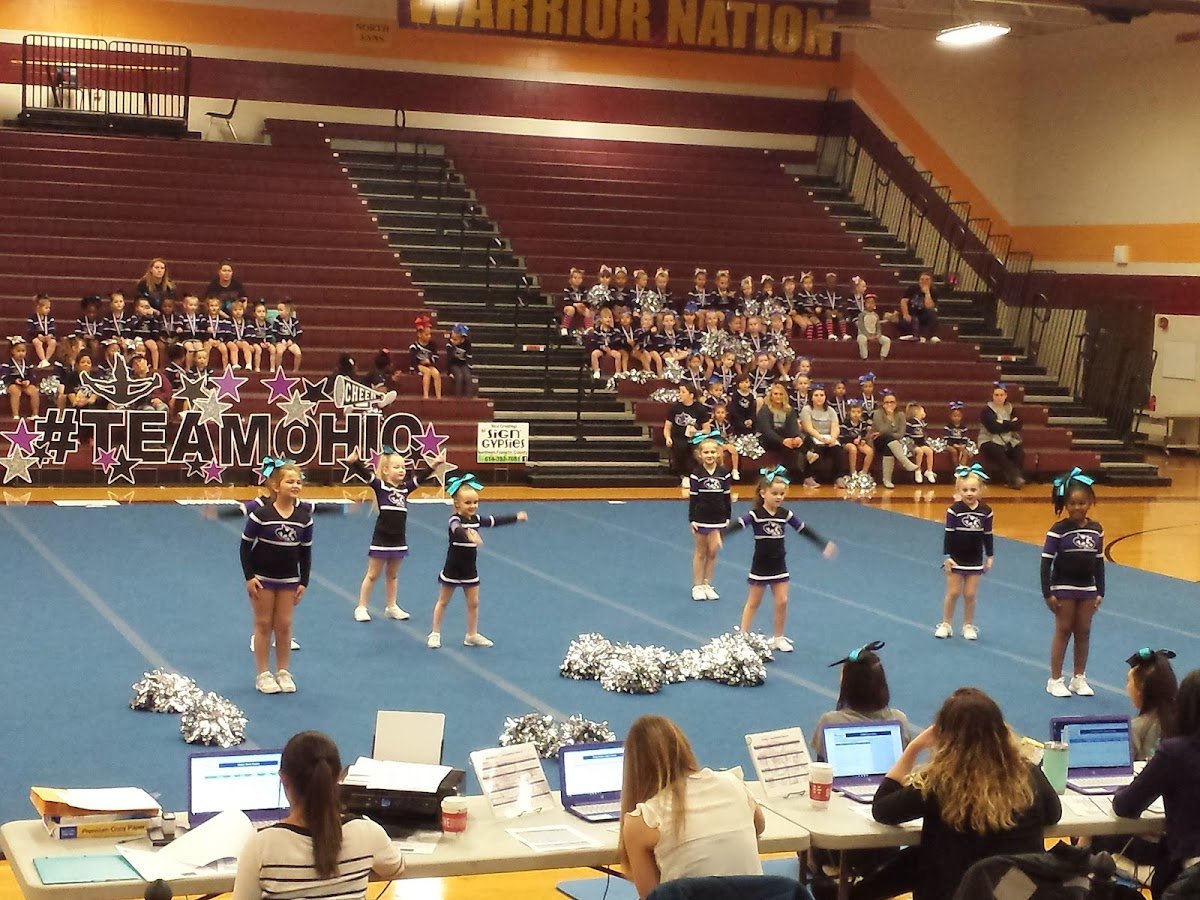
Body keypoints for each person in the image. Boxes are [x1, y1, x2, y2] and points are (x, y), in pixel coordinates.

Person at [855, 687, 1062, 900]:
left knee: (915, 861)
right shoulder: (1027, 774)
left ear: (944, 736)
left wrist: (914, 747)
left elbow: (882, 810)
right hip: (1016, 893)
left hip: (955, 893)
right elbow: (1054, 814)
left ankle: (847, 893)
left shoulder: (941, 782)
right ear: (1002, 730)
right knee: (914, 859)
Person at [231, 731, 404, 900]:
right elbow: (395, 867)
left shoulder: (261, 845)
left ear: (283, 778)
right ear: (339, 777)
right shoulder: (367, 832)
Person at [618, 715, 765, 900]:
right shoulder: (733, 783)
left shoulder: (644, 820)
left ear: (633, 768)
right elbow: (759, 825)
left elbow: (651, 896)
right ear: (684, 748)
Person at [723, 466, 837, 652]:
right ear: (763, 493)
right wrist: (720, 535)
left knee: (782, 601)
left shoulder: (785, 514)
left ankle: (778, 637)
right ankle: (742, 636)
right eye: (774, 493)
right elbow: (738, 525)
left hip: (779, 564)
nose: (778, 497)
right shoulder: (756, 514)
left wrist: (822, 544)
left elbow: (803, 529)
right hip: (760, 564)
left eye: (782, 494)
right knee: (754, 602)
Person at [1114, 669, 1200, 898]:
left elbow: (1126, 806)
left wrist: (1120, 788)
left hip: (1191, 872)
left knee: (1103, 839)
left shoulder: (1176, 752)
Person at [345, 448, 445, 624]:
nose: (401, 470)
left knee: (392, 575)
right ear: (385, 470)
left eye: (403, 467)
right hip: (382, 539)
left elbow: (420, 479)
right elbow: (366, 475)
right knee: (373, 575)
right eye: (396, 467)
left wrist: (435, 465)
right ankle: (361, 606)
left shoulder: (405, 489)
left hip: (398, 539)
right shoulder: (381, 487)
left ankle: (391, 606)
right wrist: (354, 462)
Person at [427, 474, 527, 650]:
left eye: (475, 502)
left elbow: (494, 521)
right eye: (468, 503)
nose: (472, 506)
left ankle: (471, 635)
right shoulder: (455, 520)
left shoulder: (476, 520)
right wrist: (469, 536)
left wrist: (515, 518)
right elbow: (456, 531)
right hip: (453, 567)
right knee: (443, 601)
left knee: (474, 603)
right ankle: (435, 633)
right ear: (457, 504)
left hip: (469, 569)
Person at [240, 458, 312, 694]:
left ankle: (283, 670)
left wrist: (304, 581)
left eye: (298, 482)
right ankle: (263, 673)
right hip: (263, 577)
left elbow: (305, 551)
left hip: (289, 579)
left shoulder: (304, 517)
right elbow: (245, 547)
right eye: (289, 481)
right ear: (276, 486)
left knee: (284, 625)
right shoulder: (261, 515)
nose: (295, 485)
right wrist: (249, 577)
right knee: (263, 624)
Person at [1042, 468, 1103, 698]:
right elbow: (1045, 564)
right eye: (1073, 503)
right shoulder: (1058, 531)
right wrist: (1047, 592)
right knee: (1064, 629)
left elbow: (1099, 563)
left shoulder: (1096, 529)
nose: (1077, 507)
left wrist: (1101, 591)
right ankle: (1055, 679)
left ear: (1090, 502)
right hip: (1064, 586)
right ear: (1065, 504)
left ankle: (1079, 677)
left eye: (1082, 502)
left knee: (1084, 631)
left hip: (1088, 587)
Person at [812, 641, 915, 761]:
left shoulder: (830, 721)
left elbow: (821, 768)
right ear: (881, 683)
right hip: (889, 779)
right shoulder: (899, 719)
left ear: (846, 685)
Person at [936, 466, 994, 641]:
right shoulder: (954, 510)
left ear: (980, 491)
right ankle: (946, 624)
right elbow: (949, 534)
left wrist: (990, 556)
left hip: (975, 559)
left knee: (970, 594)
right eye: (965, 490)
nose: (969, 493)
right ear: (958, 491)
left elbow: (988, 535)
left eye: (973, 490)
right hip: (956, 559)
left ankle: (968, 625)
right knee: (953, 592)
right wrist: (947, 556)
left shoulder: (986, 511)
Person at [685, 434, 733, 602]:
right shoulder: (697, 474)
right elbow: (693, 498)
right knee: (700, 552)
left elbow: (727, 496)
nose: (710, 455)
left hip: (719, 517)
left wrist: (728, 516)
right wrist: (692, 519)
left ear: (718, 453)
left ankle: (707, 584)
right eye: (706, 452)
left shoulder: (724, 473)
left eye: (713, 452)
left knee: (712, 552)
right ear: (700, 454)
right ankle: (697, 585)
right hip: (701, 517)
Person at [1126, 647, 1179, 760]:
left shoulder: (1134, 729)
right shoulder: (1188, 723)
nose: (1127, 688)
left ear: (1141, 689)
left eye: (1129, 682)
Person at [754, 383, 811, 482]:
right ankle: (802, 472)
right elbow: (767, 431)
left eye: (781, 394)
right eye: (775, 394)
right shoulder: (765, 410)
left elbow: (793, 428)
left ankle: (803, 472)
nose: (778, 396)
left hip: (785, 438)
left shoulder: (789, 410)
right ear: (771, 396)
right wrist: (783, 441)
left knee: (801, 440)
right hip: (767, 439)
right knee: (788, 447)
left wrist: (797, 437)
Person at [978, 382, 1025, 489]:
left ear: (1006, 396)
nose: (999, 398)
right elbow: (993, 428)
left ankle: (1014, 479)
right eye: (996, 395)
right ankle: (1015, 477)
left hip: (1008, 439)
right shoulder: (987, 411)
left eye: (1001, 395)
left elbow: (1019, 425)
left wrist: (1002, 423)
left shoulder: (1010, 408)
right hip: (988, 440)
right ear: (992, 396)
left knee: (1018, 450)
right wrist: (1010, 424)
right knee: (996, 450)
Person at [800, 384, 848, 488]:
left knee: (838, 449)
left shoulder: (830, 410)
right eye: (816, 395)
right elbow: (808, 428)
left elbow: (835, 427)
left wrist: (833, 439)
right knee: (814, 448)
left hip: (828, 437)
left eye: (822, 395)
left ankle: (838, 478)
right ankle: (808, 478)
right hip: (813, 436)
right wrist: (820, 438)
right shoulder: (807, 409)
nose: (819, 397)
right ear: (811, 397)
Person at [871, 391, 919, 489]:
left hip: (891, 443)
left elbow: (901, 434)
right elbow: (881, 430)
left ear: (896, 403)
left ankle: (887, 480)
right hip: (878, 441)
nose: (889, 404)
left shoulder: (900, 415)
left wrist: (886, 432)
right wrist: (890, 418)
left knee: (889, 444)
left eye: (891, 402)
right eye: (886, 402)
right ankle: (905, 462)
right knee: (887, 438)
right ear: (883, 404)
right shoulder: (877, 413)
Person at [664, 383, 710, 483]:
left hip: (695, 438)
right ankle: (683, 475)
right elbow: (667, 427)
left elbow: (707, 429)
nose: (680, 394)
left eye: (683, 392)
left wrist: (697, 432)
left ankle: (696, 475)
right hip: (678, 437)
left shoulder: (700, 409)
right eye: (679, 392)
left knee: (695, 448)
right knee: (680, 446)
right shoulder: (674, 408)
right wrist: (668, 437)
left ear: (691, 395)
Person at [3, 337, 39, 419]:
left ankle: (35, 413)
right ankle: (15, 414)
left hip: (25, 383)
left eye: (23, 351)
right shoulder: (8, 363)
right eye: (18, 351)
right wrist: (14, 380)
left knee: (34, 391)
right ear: (12, 351)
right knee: (15, 391)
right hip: (12, 383)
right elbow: (5, 376)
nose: (21, 353)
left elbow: (32, 374)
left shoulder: (28, 363)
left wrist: (29, 381)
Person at [899, 271, 939, 342]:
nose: (924, 281)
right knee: (914, 320)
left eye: (927, 279)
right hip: (910, 313)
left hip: (922, 314)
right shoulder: (913, 288)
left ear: (931, 281)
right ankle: (916, 336)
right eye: (922, 279)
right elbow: (903, 301)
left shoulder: (933, 291)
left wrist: (927, 293)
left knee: (932, 313)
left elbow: (929, 306)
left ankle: (931, 336)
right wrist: (906, 314)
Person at [409, 314, 441, 399]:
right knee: (427, 372)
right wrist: (414, 369)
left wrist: (430, 360)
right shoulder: (414, 346)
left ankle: (438, 396)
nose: (429, 336)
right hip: (419, 365)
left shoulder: (432, 345)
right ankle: (425, 395)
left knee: (436, 374)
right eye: (426, 334)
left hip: (429, 364)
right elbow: (412, 360)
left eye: (430, 334)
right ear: (419, 335)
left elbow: (436, 357)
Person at [905, 401, 936, 483]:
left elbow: (923, 434)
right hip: (912, 443)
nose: (924, 413)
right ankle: (917, 470)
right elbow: (906, 434)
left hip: (921, 442)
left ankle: (929, 471)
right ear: (916, 412)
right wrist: (909, 443)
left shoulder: (922, 423)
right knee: (920, 451)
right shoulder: (910, 422)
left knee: (929, 451)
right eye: (922, 411)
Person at [855, 293, 890, 361]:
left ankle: (883, 355)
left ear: (874, 305)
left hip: (874, 334)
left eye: (872, 303)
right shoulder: (861, 315)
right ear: (865, 304)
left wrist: (878, 334)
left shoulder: (876, 315)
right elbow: (861, 327)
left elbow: (878, 327)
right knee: (862, 340)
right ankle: (864, 357)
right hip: (863, 334)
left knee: (887, 340)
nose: (870, 305)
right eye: (868, 303)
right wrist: (868, 336)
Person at [445, 323, 476, 396]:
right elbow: (448, 358)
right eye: (451, 338)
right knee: (459, 376)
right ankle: (457, 397)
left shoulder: (467, 344)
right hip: (454, 364)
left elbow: (469, 357)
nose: (452, 340)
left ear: (462, 340)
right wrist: (449, 372)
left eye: (455, 339)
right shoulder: (450, 345)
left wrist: (470, 369)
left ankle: (469, 397)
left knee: (468, 377)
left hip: (463, 364)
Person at [273, 300, 303, 373]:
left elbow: (300, 333)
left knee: (298, 353)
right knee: (279, 352)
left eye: (281, 310)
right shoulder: (277, 320)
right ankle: (278, 370)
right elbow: (274, 332)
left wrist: (292, 341)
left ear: (287, 311)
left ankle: (295, 370)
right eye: (278, 310)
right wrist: (281, 340)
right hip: (280, 340)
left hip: (290, 340)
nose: (279, 312)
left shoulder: (294, 321)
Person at [27, 294, 56, 369]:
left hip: (47, 336)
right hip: (36, 336)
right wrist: (38, 335)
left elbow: (52, 328)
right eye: (46, 308)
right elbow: (31, 330)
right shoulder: (32, 318)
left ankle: (46, 360)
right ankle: (42, 359)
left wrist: (50, 335)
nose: (48, 310)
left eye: (49, 308)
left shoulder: (50, 318)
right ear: (38, 308)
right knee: (37, 342)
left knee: (53, 342)